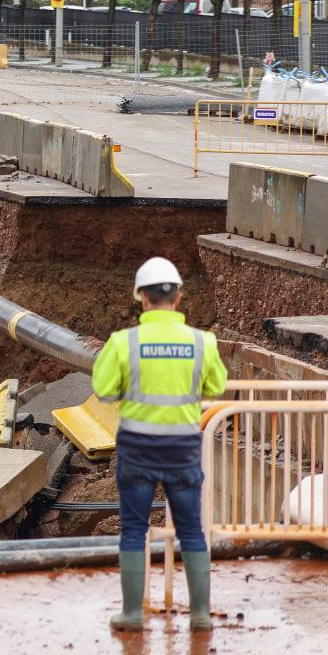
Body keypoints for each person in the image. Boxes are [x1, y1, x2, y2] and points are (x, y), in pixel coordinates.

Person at [91, 257, 227, 633]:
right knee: (192, 531)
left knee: (134, 530)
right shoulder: (202, 342)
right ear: (179, 298)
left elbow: (103, 390)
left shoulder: (124, 343)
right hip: (183, 450)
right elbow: (214, 388)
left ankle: (132, 614)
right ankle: (200, 615)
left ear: (142, 299)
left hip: (137, 450)